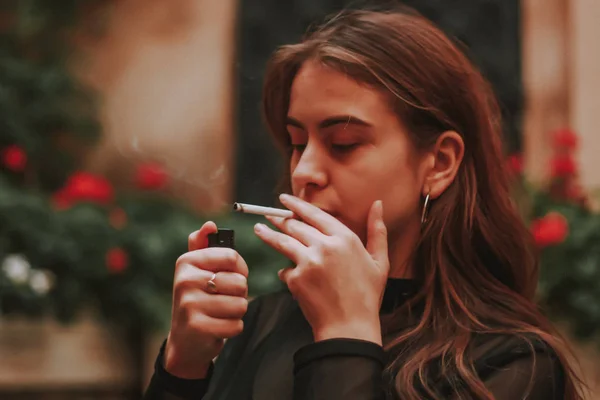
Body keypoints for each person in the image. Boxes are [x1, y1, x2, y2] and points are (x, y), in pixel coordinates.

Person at [143, 6, 584, 400]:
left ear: (440, 163)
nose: (304, 172)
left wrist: (345, 335)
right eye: (298, 143)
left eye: (344, 143)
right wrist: (183, 370)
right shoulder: (262, 325)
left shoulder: (511, 364)